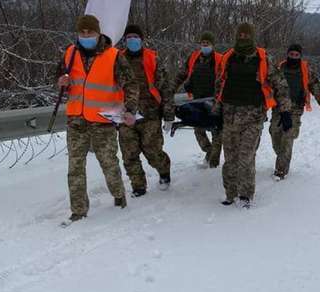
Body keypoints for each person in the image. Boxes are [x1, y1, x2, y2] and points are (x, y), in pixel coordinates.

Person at [56, 15, 140, 224]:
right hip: (76, 120)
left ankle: (119, 195)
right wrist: (61, 80)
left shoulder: (113, 56)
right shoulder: (70, 53)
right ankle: (78, 210)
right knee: (75, 167)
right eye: (82, 32)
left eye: (90, 32)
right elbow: (59, 76)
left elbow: (131, 84)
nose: (86, 36)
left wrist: (129, 109)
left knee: (109, 164)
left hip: (103, 120)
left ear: (98, 33)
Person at [214, 23, 292, 209]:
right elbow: (219, 86)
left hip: (253, 116)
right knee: (230, 158)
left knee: (246, 157)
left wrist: (285, 110)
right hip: (230, 115)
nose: (243, 38)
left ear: (252, 37)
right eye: (240, 35)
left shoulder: (263, 58)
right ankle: (230, 193)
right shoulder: (228, 57)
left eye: (246, 35)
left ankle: (245, 195)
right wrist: (216, 111)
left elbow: (280, 85)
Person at [118, 24, 175, 197]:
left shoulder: (152, 58)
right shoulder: (117, 59)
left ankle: (164, 172)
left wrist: (168, 115)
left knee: (152, 150)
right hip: (126, 114)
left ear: (142, 39)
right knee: (129, 153)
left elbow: (165, 88)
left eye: (135, 37)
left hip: (150, 113)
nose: (132, 40)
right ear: (125, 40)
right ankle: (138, 186)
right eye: (129, 37)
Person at [269, 44, 320, 180]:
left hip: (295, 109)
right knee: (275, 135)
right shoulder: (279, 69)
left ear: (300, 56)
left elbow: (318, 89)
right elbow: (268, 87)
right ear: (287, 55)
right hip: (278, 108)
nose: (293, 57)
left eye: (296, 55)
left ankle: (281, 170)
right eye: (291, 54)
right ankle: (282, 156)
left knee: (288, 137)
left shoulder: (306, 70)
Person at [173, 32, 224, 168]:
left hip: (214, 101)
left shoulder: (220, 59)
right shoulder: (194, 57)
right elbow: (181, 74)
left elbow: (225, 78)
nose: (205, 45)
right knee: (198, 129)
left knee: (217, 131)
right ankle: (209, 151)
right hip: (196, 99)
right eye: (203, 43)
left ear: (213, 45)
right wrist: (171, 89)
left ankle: (213, 163)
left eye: (207, 43)